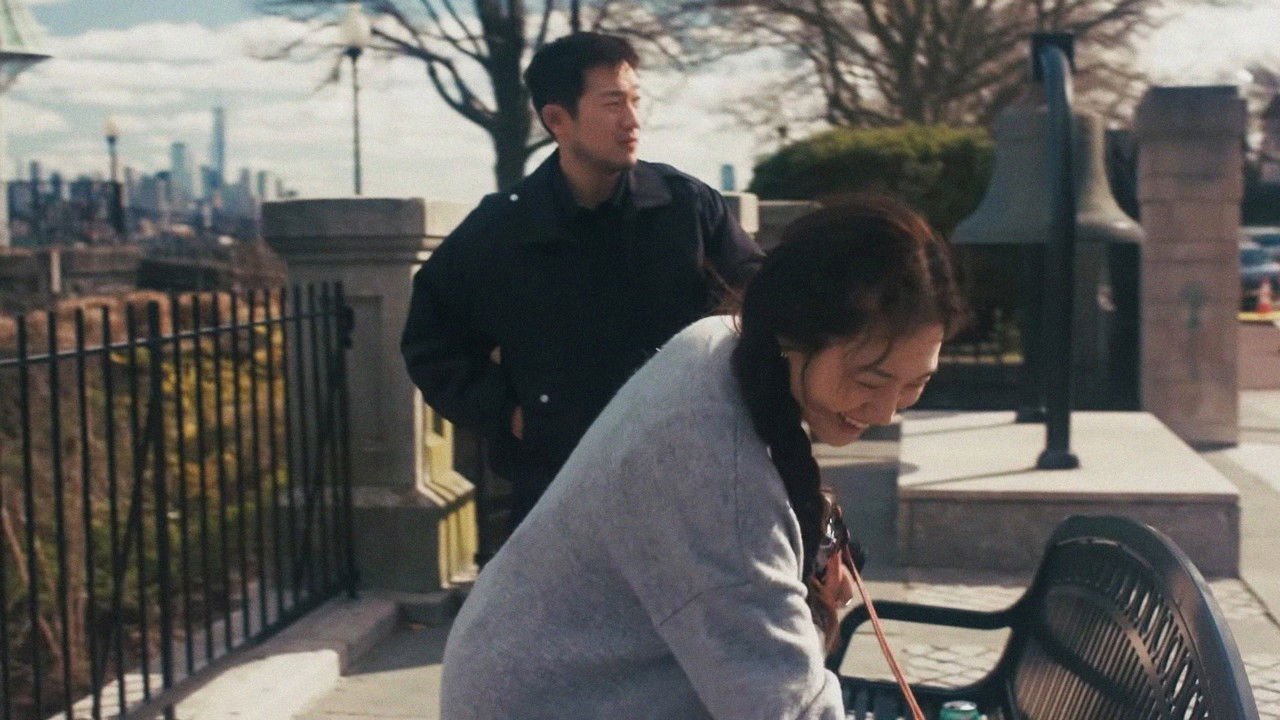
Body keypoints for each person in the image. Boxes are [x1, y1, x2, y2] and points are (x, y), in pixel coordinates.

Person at [439, 196, 967, 719]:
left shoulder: (725, 340)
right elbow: (785, 708)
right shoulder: (714, 469)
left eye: (915, 384)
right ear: (796, 332)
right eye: (870, 380)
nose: (886, 411)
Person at [400, 32, 763, 531]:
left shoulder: (686, 208)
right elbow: (431, 341)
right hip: (560, 490)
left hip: (692, 483)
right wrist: (510, 414)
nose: (632, 121)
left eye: (635, 100)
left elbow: (760, 304)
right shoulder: (503, 229)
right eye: (613, 104)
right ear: (557, 120)